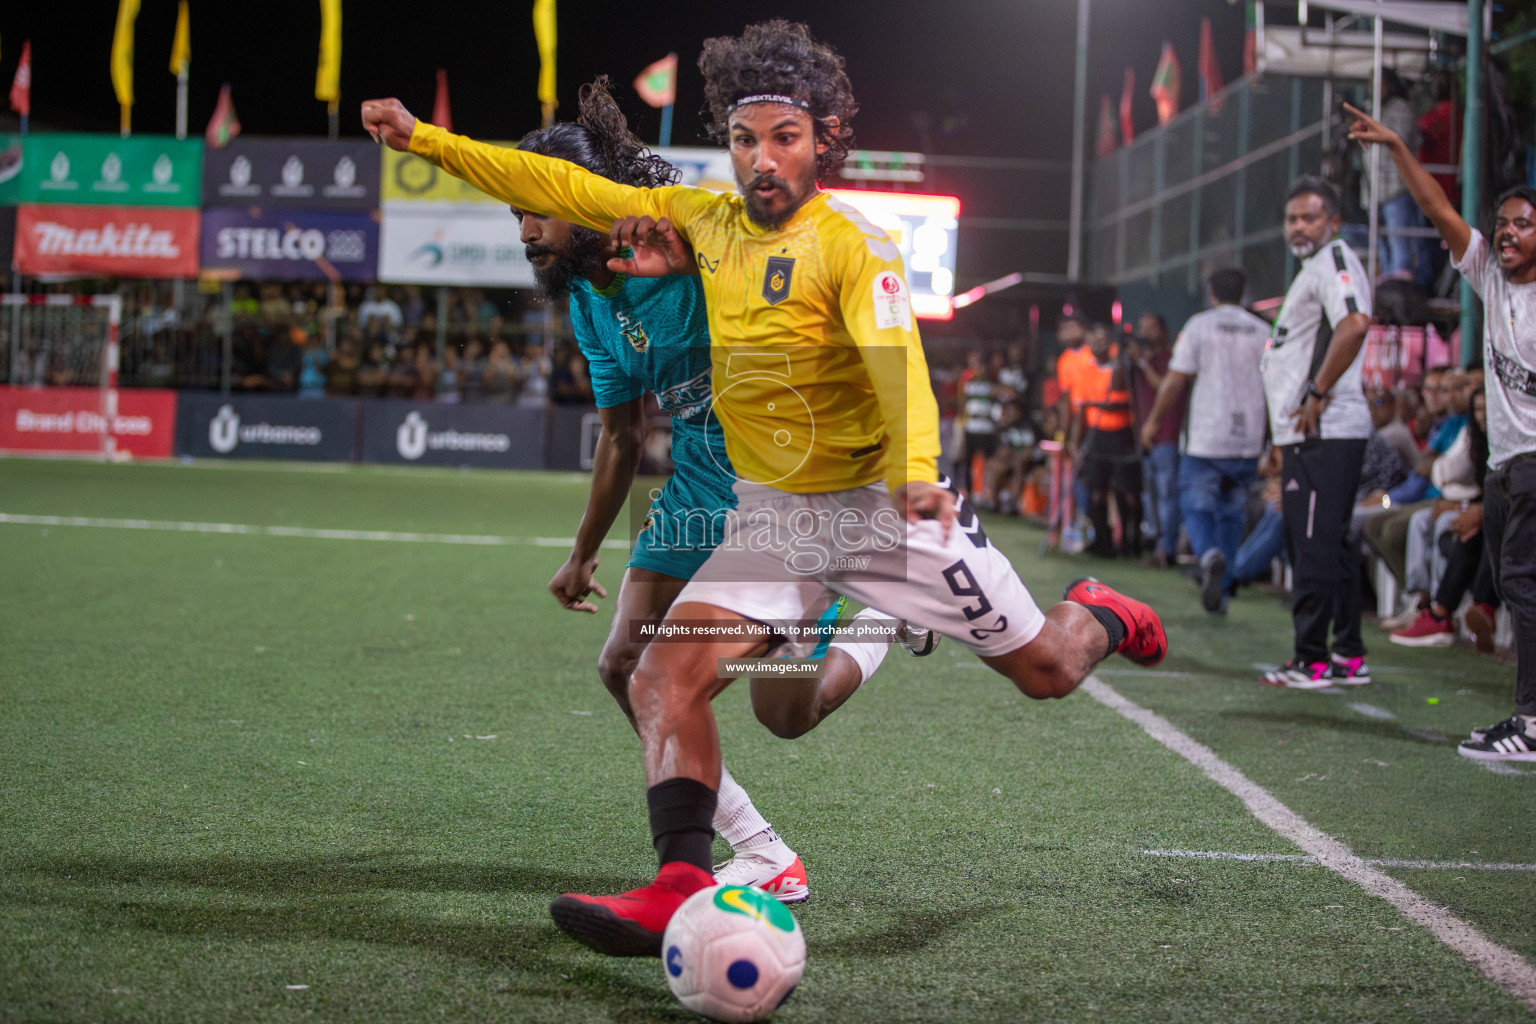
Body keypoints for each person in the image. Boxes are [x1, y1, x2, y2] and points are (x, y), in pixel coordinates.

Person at [364, 17, 1166, 958]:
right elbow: (556, 183)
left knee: (1047, 672)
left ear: (825, 138)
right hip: (776, 520)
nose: (761, 159)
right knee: (663, 675)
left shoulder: (855, 244)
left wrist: (914, 473)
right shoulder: (703, 224)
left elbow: (898, 362)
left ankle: (1102, 612)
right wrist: (424, 140)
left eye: (784, 136)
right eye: (744, 140)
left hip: (882, 514)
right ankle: (680, 883)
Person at [1349, 102, 1536, 761]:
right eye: (1504, 224)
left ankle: (1533, 723)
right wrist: (1399, 148)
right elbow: (1436, 210)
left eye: (1523, 225)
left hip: (1534, 464)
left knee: (1522, 583)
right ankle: (1525, 716)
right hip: (1504, 465)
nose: (1508, 233)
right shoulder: (1490, 277)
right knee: (1514, 584)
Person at [1258, 176, 1374, 689]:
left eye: (1309, 217)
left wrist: (1317, 394)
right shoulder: (1316, 267)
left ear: (1333, 222)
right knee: (1332, 544)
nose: (1299, 226)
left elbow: (1354, 325)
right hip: (1311, 434)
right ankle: (1347, 653)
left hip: (1325, 432)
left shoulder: (1334, 261)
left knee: (1312, 546)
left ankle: (1312, 660)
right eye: (1292, 218)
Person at [1142, 268, 1269, 613]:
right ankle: (1222, 592)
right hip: (1248, 439)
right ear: (1244, 293)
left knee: (1195, 506)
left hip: (1207, 438)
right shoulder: (1263, 331)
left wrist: (1153, 421)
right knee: (1231, 514)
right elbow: (1276, 387)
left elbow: (1175, 381)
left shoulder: (1199, 326)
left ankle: (1209, 556)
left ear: (1211, 292)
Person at [1070, 324, 1142, 558]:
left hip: (1122, 435)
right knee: (1097, 491)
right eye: (1093, 340)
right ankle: (1103, 541)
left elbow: (1118, 388)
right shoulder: (1085, 370)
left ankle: (1132, 543)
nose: (1097, 344)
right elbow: (1081, 409)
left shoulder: (1121, 366)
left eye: (1102, 339)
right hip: (1096, 435)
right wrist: (1074, 441)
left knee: (1126, 491)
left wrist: (1120, 355)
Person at [1128, 312, 1182, 568]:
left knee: (1166, 494)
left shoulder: (1171, 358)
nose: (1145, 332)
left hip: (1167, 435)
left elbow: (1165, 386)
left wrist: (1142, 364)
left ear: (1163, 331)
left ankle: (1166, 550)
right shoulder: (1142, 360)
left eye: (1151, 327)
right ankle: (1154, 544)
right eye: (1142, 327)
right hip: (1145, 438)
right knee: (1150, 496)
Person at [1363, 71, 1421, 281]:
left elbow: (1399, 141)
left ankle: (1401, 281)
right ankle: (1388, 279)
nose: (1373, 89)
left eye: (1378, 84)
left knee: (1399, 237)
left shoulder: (1400, 108)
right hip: (1375, 187)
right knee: (1380, 239)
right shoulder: (1374, 109)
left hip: (1396, 184)